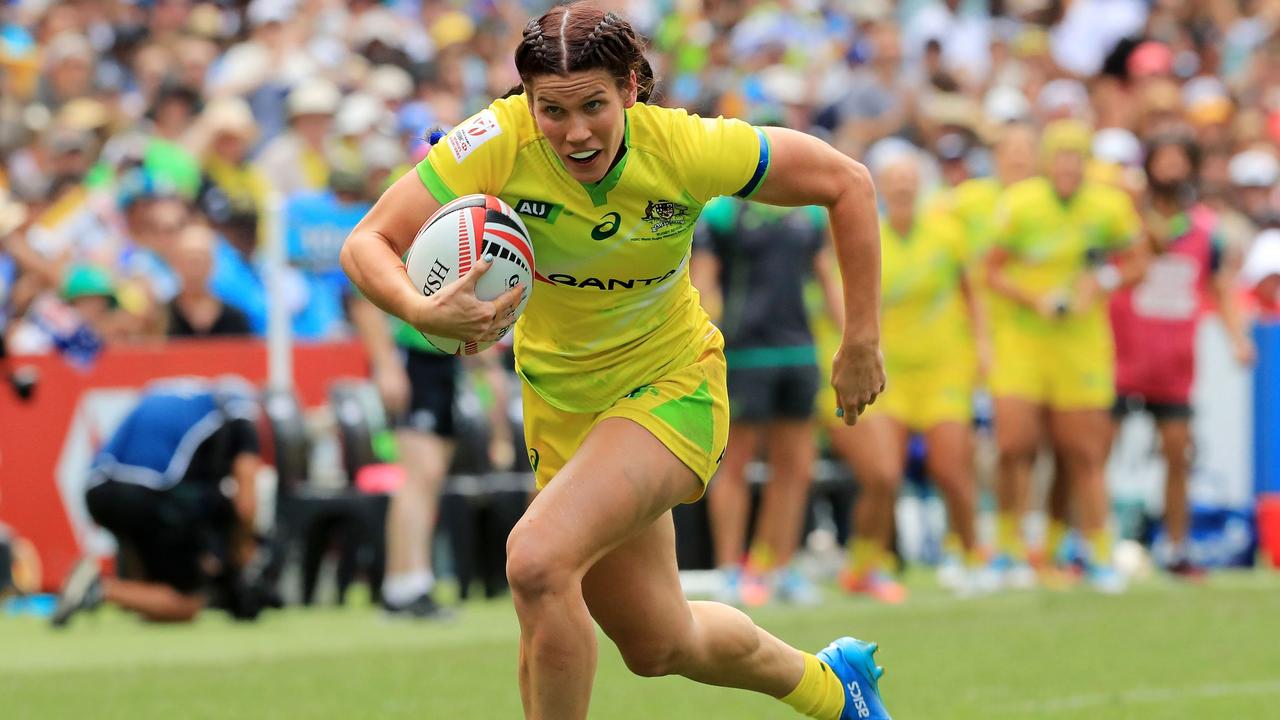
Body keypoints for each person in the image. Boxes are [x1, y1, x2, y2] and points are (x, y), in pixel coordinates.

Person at [340, 4, 888, 719]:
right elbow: (366, 243)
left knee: (536, 561)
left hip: (672, 387)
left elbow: (847, 182)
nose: (574, 132)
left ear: (631, 87)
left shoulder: (688, 147)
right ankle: (831, 686)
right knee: (659, 642)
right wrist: (419, 309)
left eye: (593, 105)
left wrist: (860, 340)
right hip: (562, 407)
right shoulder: (495, 141)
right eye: (552, 110)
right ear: (527, 101)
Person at [985, 119, 1144, 593]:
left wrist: (1101, 284)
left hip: (1081, 345)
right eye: (1060, 155)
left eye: (1077, 156)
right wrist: (1033, 298)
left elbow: (1137, 262)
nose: (1068, 166)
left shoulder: (1109, 206)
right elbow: (991, 270)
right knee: (1014, 444)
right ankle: (1009, 549)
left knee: (1083, 451)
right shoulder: (1020, 203)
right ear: (1046, 160)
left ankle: (1097, 551)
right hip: (1023, 342)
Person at [832, 148, 984, 603]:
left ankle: (973, 555)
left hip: (942, 367)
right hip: (886, 371)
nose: (901, 188)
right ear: (878, 185)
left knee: (952, 468)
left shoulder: (947, 232)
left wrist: (983, 347)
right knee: (884, 474)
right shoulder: (862, 231)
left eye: (909, 179)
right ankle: (865, 564)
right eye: (893, 180)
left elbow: (971, 292)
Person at [1109, 132, 1255, 577]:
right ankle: (1093, 545)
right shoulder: (1124, 221)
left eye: (1178, 159)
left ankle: (1176, 547)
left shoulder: (1206, 228)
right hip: (1121, 354)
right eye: (1162, 159)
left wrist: (1236, 338)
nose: (1170, 168)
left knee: (1178, 452)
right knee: (1095, 452)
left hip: (1174, 363)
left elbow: (1220, 286)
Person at [690, 186, 841, 608]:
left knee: (795, 466)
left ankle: (779, 567)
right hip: (744, 351)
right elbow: (703, 280)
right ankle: (730, 571)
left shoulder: (808, 214)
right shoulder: (721, 214)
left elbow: (826, 275)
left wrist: (853, 338)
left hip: (798, 350)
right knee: (735, 462)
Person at [51, 376, 264, 626]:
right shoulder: (238, 411)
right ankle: (98, 589)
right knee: (186, 604)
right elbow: (245, 502)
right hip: (148, 494)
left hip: (98, 491)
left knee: (150, 596)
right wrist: (243, 546)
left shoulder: (173, 394)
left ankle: (106, 589)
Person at [167, 225, 251, 337]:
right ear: (175, 263)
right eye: (189, 259)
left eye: (200, 259)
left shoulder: (235, 318)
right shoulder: (162, 317)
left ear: (212, 262)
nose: (194, 267)